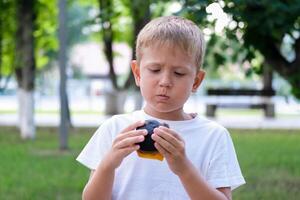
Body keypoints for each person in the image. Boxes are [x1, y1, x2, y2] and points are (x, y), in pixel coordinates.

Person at [77, 16, 245, 200]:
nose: (165, 82)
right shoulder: (115, 129)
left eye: (179, 73)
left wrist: (184, 168)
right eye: (155, 70)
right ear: (138, 73)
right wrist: (108, 164)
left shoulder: (213, 136)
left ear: (196, 81)